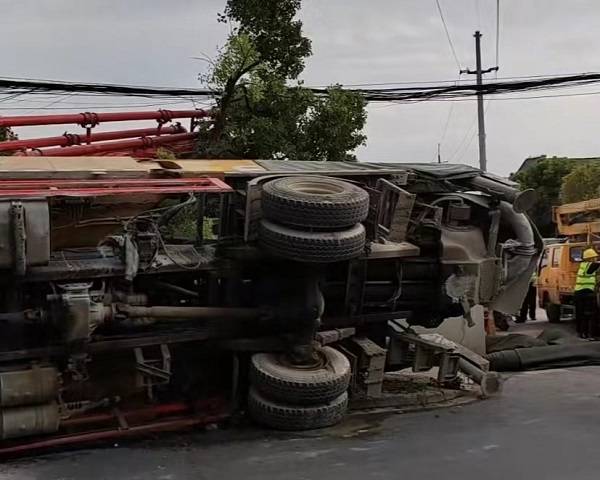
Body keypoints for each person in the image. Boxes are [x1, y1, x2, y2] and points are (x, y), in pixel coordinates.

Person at [574, 247, 600, 338]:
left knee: (580, 314)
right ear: (591, 258)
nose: (596, 258)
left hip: (578, 293)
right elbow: (597, 265)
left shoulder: (583, 265)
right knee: (589, 314)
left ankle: (581, 333)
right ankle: (589, 333)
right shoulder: (590, 265)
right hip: (586, 293)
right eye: (595, 257)